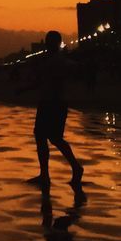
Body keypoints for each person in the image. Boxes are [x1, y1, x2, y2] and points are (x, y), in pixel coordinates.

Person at [24, 31, 84, 190]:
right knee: (44, 136)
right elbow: (41, 82)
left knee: (53, 138)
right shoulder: (55, 61)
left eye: (50, 42)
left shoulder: (57, 61)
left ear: (55, 43)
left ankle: (71, 168)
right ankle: (46, 174)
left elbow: (44, 80)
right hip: (50, 103)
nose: (47, 44)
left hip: (54, 104)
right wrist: (25, 89)